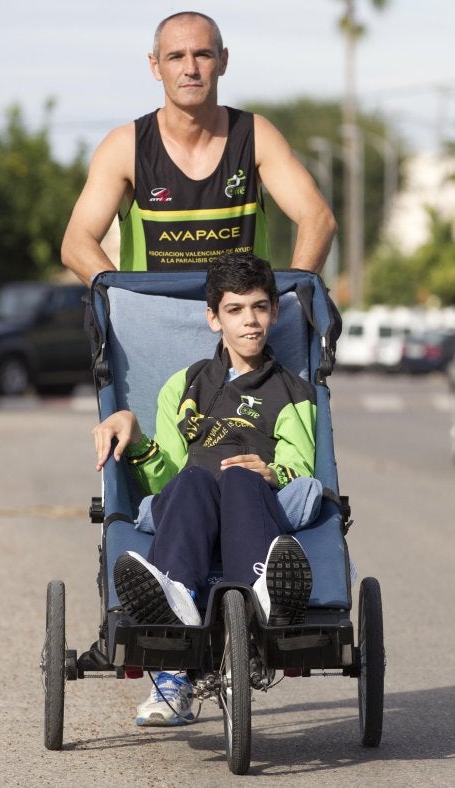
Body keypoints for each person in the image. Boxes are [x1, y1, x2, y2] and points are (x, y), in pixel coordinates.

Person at [92, 252, 318, 727]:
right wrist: (136, 439)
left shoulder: (293, 391)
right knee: (194, 477)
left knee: (239, 475)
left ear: (275, 311)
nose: (250, 322)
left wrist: (273, 472)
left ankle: (263, 593)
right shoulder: (186, 383)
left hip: (255, 503)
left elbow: (300, 462)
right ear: (213, 317)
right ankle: (173, 651)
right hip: (191, 503)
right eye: (235, 310)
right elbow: (167, 475)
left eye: (259, 307)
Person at [61, 11, 337, 285]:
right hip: (154, 323)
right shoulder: (124, 146)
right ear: (155, 66)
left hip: (240, 324)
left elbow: (318, 218)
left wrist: (292, 293)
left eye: (203, 54)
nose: (190, 69)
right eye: (176, 56)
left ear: (223, 61)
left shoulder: (256, 135)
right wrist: (124, 300)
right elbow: (76, 244)